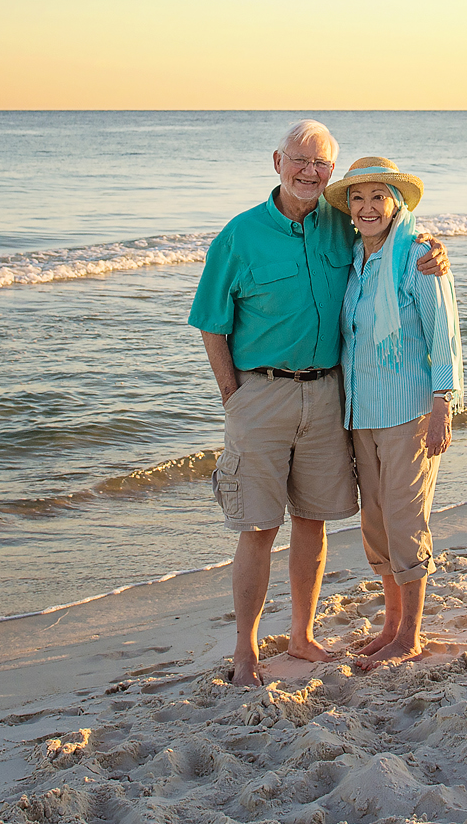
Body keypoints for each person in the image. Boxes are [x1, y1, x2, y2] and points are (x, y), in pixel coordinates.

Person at [188, 121, 450, 687]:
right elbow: (211, 322)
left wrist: (436, 251)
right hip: (260, 395)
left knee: (313, 520)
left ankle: (303, 636)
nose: (310, 171)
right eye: (300, 160)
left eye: (322, 163)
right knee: (257, 524)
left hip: (331, 395)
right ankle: (245, 651)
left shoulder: (342, 224)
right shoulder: (239, 235)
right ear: (277, 161)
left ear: (333, 172)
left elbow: (394, 235)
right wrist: (232, 394)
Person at [326, 156, 460, 670]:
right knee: (375, 523)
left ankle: (411, 635)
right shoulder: (355, 260)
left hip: (408, 411)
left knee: (406, 521)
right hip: (361, 414)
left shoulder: (419, 256)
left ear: (396, 203)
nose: (365, 208)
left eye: (377, 197)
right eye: (357, 199)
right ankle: (389, 623)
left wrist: (442, 405)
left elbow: (442, 333)